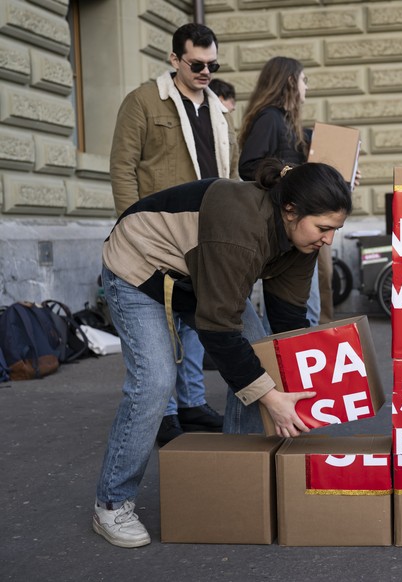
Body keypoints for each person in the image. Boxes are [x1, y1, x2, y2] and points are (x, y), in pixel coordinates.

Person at [92, 161, 352, 548]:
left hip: (202, 273)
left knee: (262, 360)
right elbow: (219, 330)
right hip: (140, 266)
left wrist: (305, 387)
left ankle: (240, 478)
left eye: (335, 230)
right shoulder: (241, 232)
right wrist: (273, 399)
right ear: (291, 210)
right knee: (155, 381)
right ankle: (112, 503)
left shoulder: (303, 240)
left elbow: (288, 321)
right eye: (324, 228)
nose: (328, 240)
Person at [109, 23, 238, 445]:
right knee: (160, 324)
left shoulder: (218, 108)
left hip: (204, 233)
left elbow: (231, 172)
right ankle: (164, 413)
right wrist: (130, 226)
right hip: (155, 235)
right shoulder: (144, 101)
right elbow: (123, 166)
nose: (206, 72)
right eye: (197, 64)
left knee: (197, 320)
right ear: (174, 59)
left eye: (212, 65)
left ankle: (192, 402)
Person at [237, 56, 331, 326]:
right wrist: (289, 174)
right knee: (299, 312)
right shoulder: (270, 118)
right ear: (290, 81)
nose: (306, 86)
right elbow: (249, 166)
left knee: (300, 310)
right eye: (304, 80)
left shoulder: (288, 123)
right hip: (285, 224)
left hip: (297, 223)